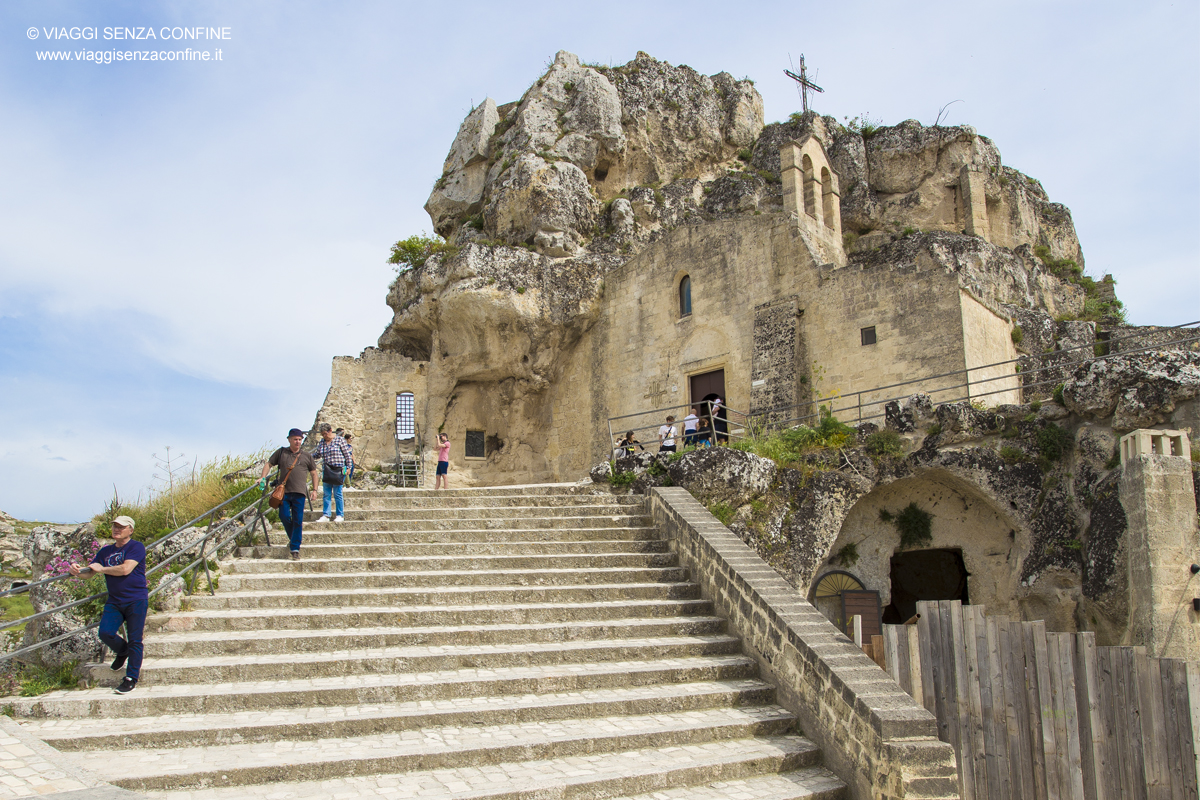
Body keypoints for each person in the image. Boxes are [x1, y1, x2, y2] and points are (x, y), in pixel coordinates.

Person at [69, 515, 147, 695]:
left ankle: (130, 678)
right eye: (114, 526)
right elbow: (90, 572)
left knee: (136, 639)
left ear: (130, 530)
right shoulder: (105, 552)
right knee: (105, 632)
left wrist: (102, 569)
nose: (116, 529)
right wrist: (76, 571)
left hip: (136, 599)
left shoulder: (136, 547)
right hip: (115, 601)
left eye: (121, 527)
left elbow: (126, 568)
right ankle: (123, 651)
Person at [260, 428, 319, 560]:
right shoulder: (281, 452)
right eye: (295, 439)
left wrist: (314, 490)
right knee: (284, 516)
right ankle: (294, 539)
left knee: (298, 520)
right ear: (289, 440)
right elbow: (268, 464)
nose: (298, 442)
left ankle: (295, 548)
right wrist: (263, 477)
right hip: (284, 493)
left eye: (299, 439)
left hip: (299, 493)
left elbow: (314, 473)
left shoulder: (306, 456)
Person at [312, 423, 353, 523]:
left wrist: (348, 467)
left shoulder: (340, 440)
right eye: (322, 434)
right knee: (326, 493)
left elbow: (347, 455)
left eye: (325, 434)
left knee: (337, 493)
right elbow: (318, 454)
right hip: (327, 470)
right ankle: (326, 515)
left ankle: (340, 515)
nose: (324, 436)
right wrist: (307, 457)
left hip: (338, 470)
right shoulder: (322, 442)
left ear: (330, 431)